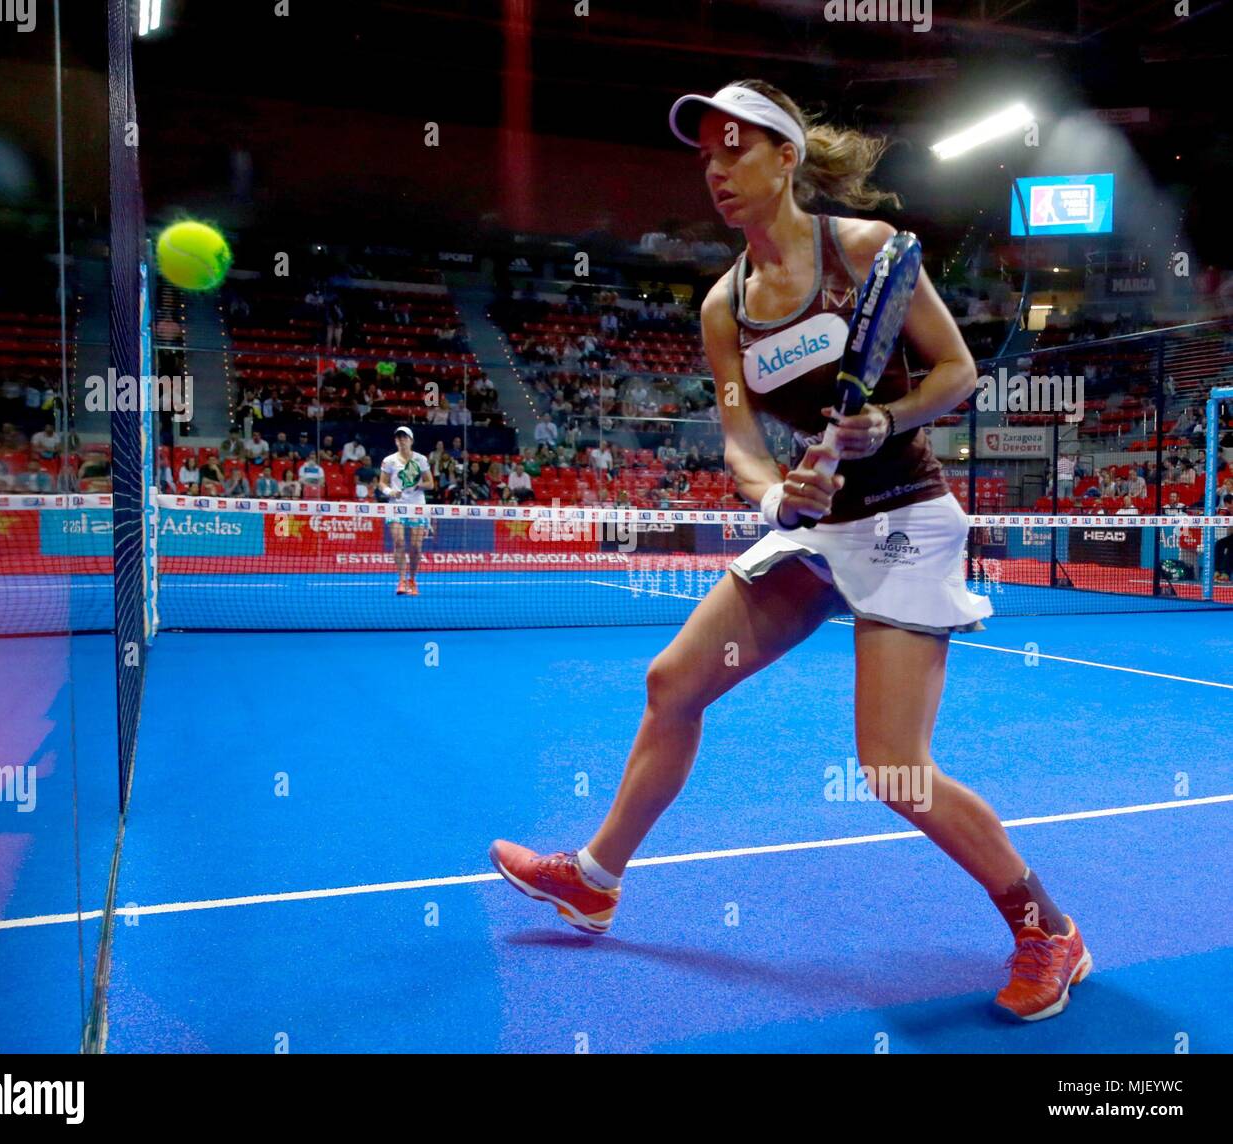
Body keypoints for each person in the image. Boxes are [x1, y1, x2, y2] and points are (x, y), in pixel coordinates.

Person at [489, 78, 1087, 1024]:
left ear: (786, 155)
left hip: (901, 516)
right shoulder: (725, 306)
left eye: (738, 147)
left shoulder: (865, 252)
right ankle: (596, 877)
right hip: (811, 530)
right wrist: (773, 490)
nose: (719, 169)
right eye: (707, 154)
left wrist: (882, 418)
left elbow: (957, 370)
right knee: (671, 683)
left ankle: (1047, 927)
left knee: (893, 766)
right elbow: (736, 438)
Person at [379, 426, 435, 596]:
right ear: (396, 441)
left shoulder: (421, 460)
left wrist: (418, 485)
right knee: (399, 542)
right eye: (398, 438)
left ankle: (412, 579)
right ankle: (401, 580)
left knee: (416, 547)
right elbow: (382, 483)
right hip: (396, 506)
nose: (401, 440)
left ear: (411, 440)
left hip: (417, 506)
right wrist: (390, 492)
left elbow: (430, 484)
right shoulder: (389, 461)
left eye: (405, 438)